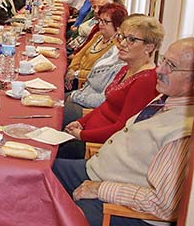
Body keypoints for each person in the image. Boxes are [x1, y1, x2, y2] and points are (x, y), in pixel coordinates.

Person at [23, 37, 194, 226]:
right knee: (33, 175)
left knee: (47, 221)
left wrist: (101, 189)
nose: (160, 70)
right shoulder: (168, 98)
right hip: (98, 170)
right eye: (164, 60)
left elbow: (163, 204)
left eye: (171, 66)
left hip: (130, 214)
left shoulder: (183, 131)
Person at [60, 14, 164, 159]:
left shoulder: (146, 80)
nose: (122, 43)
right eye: (122, 37)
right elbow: (105, 105)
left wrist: (82, 135)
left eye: (132, 40)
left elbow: (122, 128)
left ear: (149, 47)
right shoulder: (125, 69)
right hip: (89, 130)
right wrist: (81, 122)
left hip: (99, 146)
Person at [65, 3, 127, 91]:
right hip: (74, 76)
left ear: (117, 25)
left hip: (85, 85)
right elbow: (79, 55)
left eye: (105, 21)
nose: (100, 24)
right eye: (100, 20)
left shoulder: (116, 47)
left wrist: (76, 74)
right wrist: (71, 69)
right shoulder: (98, 36)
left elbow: (100, 75)